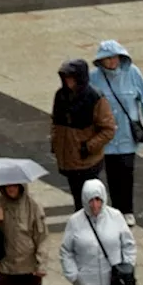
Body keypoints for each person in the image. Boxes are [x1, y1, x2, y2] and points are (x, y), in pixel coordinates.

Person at [89, 39, 143, 226]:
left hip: (128, 134)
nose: (112, 62)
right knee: (112, 174)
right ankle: (115, 208)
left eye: (115, 58)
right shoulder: (94, 78)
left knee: (127, 172)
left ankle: (127, 210)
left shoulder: (133, 73)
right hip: (107, 136)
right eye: (108, 59)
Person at [50, 59, 117, 211]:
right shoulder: (61, 96)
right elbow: (55, 122)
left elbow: (108, 129)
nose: (68, 81)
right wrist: (56, 143)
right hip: (69, 159)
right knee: (77, 198)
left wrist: (88, 147)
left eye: (71, 77)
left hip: (88, 160)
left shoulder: (95, 98)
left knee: (92, 197)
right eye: (66, 77)